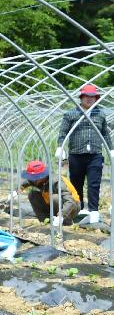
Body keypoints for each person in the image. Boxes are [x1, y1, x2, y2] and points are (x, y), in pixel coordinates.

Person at [57, 83, 112, 224]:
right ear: (81, 97)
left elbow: (105, 133)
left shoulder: (100, 114)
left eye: (92, 97)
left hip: (95, 154)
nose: (89, 99)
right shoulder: (71, 114)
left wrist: (110, 149)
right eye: (86, 96)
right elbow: (63, 132)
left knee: (94, 184)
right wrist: (60, 147)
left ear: (96, 98)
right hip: (76, 155)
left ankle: (93, 211)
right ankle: (79, 209)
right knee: (76, 184)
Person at [4, 160, 79, 226]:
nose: (32, 180)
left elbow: (70, 201)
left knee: (54, 198)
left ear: (41, 176)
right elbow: (26, 183)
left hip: (72, 207)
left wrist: (62, 215)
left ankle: (66, 222)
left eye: (34, 177)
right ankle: (46, 221)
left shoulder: (57, 182)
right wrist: (15, 192)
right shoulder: (37, 181)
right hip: (52, 204)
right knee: (32, 195)